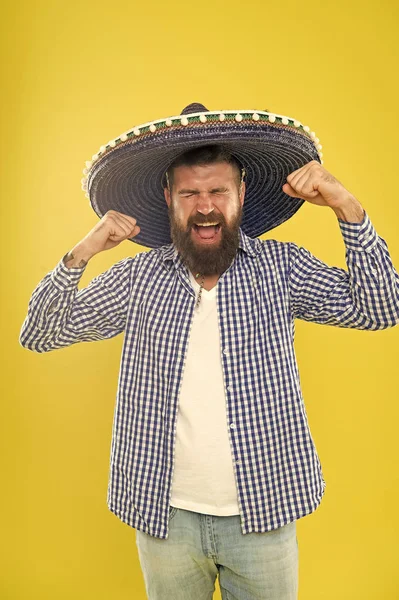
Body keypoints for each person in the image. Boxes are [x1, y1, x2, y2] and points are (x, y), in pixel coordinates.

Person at [19, 103, 399, 600]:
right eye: (190, 193)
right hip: (165, 517)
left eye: (218, 191)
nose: (205, 206)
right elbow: (40, 333)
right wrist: (82, 252)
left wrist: (348, 208)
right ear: (168, 199)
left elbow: (381, 307)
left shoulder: (280, 268)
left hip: (263, 511)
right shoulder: (139, 278)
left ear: (240, 193)